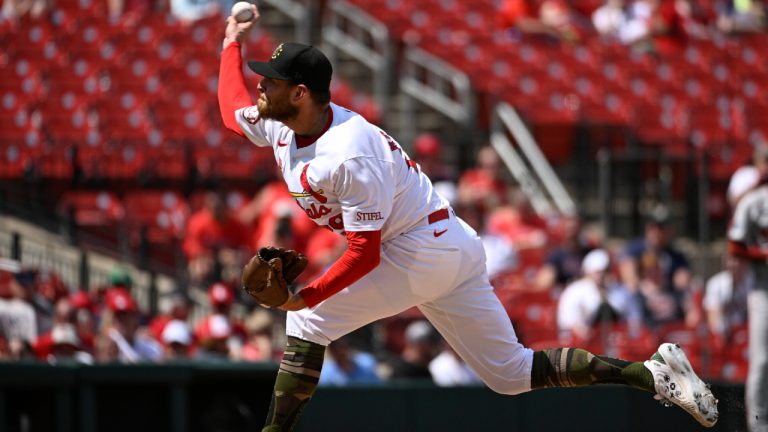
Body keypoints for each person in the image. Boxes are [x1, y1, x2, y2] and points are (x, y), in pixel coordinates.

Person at [217, 6, 718, 431]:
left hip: (417, 247)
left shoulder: (350, 149)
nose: (262, 87)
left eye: (273, 81)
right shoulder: (280, 125)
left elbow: (364, 253)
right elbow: (231, 109)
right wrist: (231, 44)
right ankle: (651, 374)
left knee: (306, 319)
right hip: (442, 244)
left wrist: (305, 295)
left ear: (301, 93)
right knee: (510, 374)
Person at [727, 145, 768, 432]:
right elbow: (735, 245)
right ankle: (758, 427)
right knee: (762, 361)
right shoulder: (753, 200)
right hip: (763, 289)